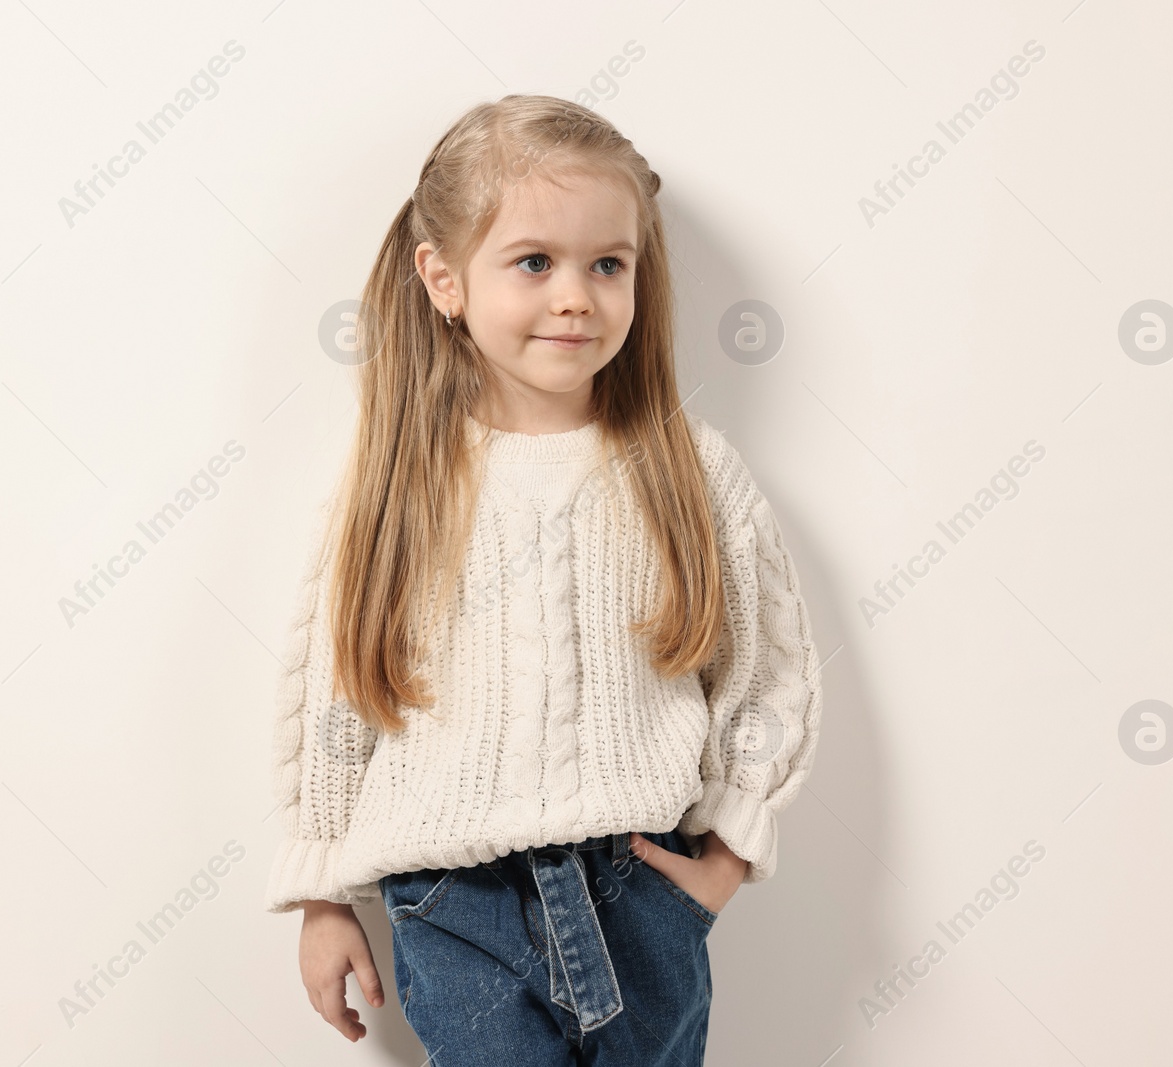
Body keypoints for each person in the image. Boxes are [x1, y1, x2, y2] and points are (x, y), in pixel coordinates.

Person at [265, 93, 823, 1066]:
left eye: (608, 264)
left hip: (641, 896)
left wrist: (724, 859)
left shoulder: (691, 468)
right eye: (535, 262)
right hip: (454, 911)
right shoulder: (394, 484)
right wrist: (324, 894)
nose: (576, 295)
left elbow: (768, 672)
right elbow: (333, 695)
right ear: (443, 278)